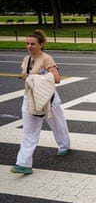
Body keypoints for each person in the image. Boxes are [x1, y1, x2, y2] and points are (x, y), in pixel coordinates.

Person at [11, 29, 71, 175]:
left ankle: (64, 145)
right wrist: (27, 78)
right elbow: (28, 76)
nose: (29, 46)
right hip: (30, 98)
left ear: (41, 45)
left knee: (58, 124)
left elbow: (56, 79)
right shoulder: (26, 60)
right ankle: (23, 163)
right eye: (27, 43)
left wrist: (36, 77)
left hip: (47, 99)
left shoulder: (46, 59)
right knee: (29, 131)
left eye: (33, 44)